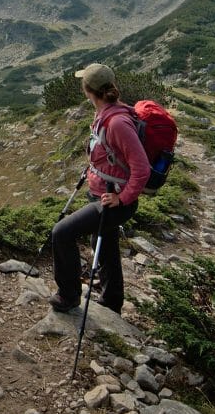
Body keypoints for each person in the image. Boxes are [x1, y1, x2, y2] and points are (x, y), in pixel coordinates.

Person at [48, 63, 149, 315]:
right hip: (102, 193)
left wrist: (122, 198)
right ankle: (112, 299)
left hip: (112, 201)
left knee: (61, 233)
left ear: (87, 90)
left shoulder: (117, 123)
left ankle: (69, 296)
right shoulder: (106, 112)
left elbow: (142, 168)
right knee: (104, 243)